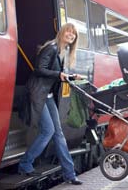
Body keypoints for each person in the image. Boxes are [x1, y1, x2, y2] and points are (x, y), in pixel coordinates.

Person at [18, 23, 83, 185]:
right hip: (37, 94)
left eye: (74, 34)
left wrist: (71, 76)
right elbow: (39, 69)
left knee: (58, 134)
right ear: (62, 32)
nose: (71, 35)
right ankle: (25, 163)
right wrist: (59, 74)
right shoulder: (52, 48)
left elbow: (53, 74)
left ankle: (70, 174)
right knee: (48, 131)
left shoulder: (62, 51)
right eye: (68, 31)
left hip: (47, 95)